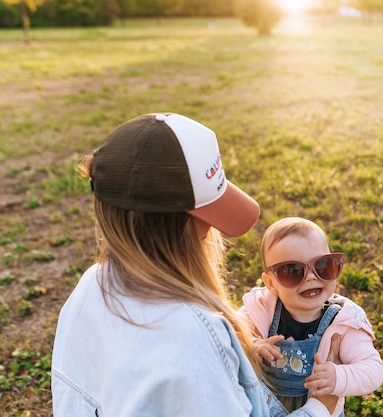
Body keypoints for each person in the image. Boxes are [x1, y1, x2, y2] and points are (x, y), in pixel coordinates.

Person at [51, 113, 339, 417]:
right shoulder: (195, 337)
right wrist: (322, 408)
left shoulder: (89, 287)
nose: (210, 232)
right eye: (206, 218)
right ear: (175, 228)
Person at [238, 217, 383, 417]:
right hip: (265, 407)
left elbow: (373, 369)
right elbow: (231, 335)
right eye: (292, 271)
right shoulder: (261, 308)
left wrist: (338, 377)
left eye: (323, 265)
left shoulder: (343, 321)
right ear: (271, 284)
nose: (311, 277)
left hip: (323, 410)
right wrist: (252, 344)